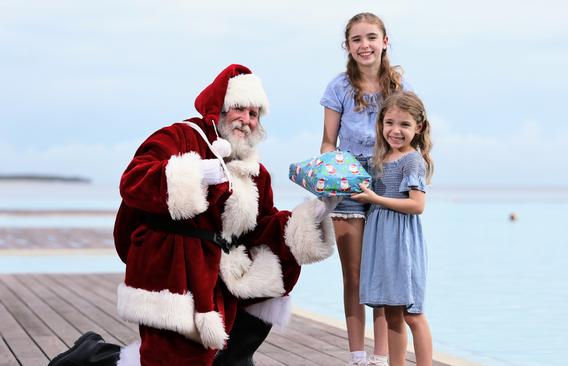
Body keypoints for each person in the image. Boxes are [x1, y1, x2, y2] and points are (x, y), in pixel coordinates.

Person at [48, 64, 338, 366]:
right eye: (240, 109)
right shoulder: (180, 137)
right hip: (174, 269)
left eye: (254, 114)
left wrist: (310, 218)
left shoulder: (256, 172)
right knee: (168, 361)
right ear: (221, 108)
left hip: (224, 275)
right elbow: (133, 181)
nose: (247, 120)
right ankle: (90, 357)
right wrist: (192, 174)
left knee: (232, 356)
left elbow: (261, 227)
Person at [319, 12, 411, 366]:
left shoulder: (397, 89)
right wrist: (337, 173)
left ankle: (381, 357)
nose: (365, 45)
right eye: (357, 39)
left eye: (371, 37)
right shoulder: (338, 87)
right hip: (348, 179)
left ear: (385, 41)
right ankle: (357, 356)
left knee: (382, 273)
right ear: (348, 46)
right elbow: (328, 142)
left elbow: (405, 137)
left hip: (387, 180)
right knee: (354, 273)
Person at [352, 91, 434, 366]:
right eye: (389, 123)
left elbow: (417, 204)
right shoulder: (380, 158)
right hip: (381, 240)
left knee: (412, 313)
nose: (395, 131)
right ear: (381, 123)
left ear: (418, 127)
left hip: (402, 241)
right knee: (391, 312)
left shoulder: (412, 160)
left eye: (404, 124)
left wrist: (375, 199)